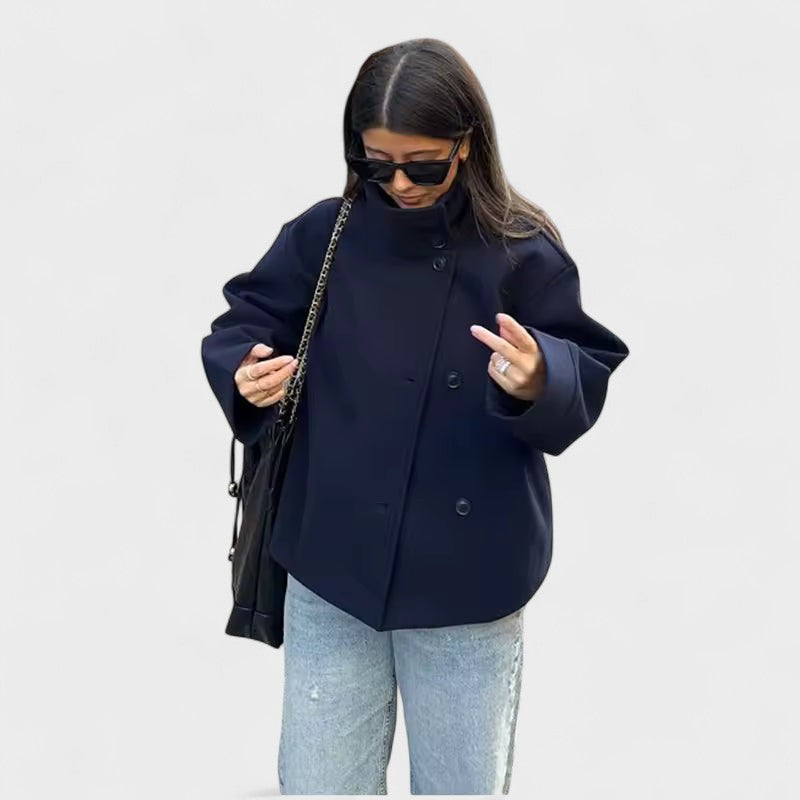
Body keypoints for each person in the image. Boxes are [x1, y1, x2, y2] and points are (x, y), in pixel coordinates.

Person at [201, 37, 629, 796]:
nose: (398, 182)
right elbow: (246, 319)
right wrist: (246, 370)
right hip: (332, 568)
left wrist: (540, 377)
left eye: (423, 166)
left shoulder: (521, 252)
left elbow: (584, 368)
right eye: (377, 164)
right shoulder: (324, 235)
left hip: (469, 585)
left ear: (468, 144)